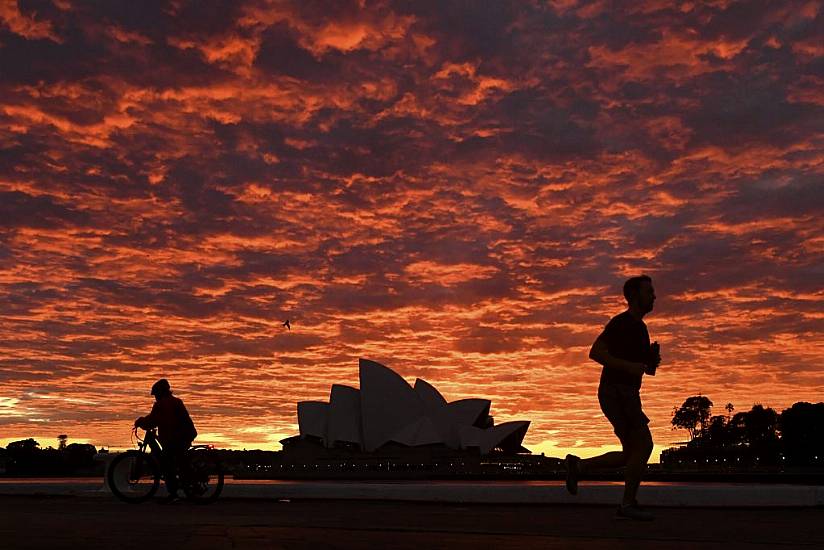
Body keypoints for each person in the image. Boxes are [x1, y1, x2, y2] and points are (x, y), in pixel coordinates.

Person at [565, 275, 661, 521]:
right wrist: (629, 367)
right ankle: (627, 505)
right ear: (634, 296)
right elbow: (596, 352)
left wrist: (649, 362)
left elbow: (641, 367)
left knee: (631, 453)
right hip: (617, 392)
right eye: (649, 292)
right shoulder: (622, 323)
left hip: (625, 393)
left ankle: (579, 467)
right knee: (644, 445)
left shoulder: (640, 328)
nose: (654, 296)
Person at [134, 379, 197, 502]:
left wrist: (141, 421)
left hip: (176, 437)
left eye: (156, 394)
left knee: (166, 462)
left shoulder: (162, 404)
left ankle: (173, 493)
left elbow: (153, 419)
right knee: (172, 460)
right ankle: (181, 486)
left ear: (160, 393)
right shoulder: (176, 401)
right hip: (185, 435)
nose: (155, 397)